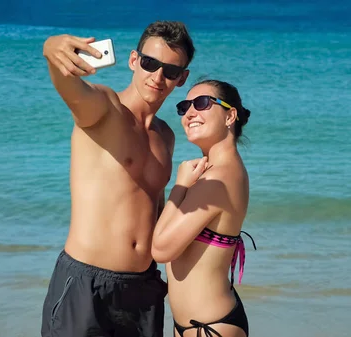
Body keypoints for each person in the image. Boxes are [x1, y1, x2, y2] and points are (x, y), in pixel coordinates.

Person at [39, 21, 195, 337]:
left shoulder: (165, 136)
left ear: (182, 78)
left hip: (142, 290)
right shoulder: (106, 108)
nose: (158, 77)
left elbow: (156, 216)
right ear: (134, 60)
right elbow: (72, 90)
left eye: (170, 70)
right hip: (87, 286)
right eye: (150, 63)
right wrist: (51, 50)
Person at [151, 79, 256, 337]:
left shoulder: (218, 179)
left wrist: (179, 186)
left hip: (212, 327)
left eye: (202, 103)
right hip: (199, 325)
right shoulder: (222, 171)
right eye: (184, 106)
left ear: (230, 115)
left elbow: (162, 249)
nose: (190, 113)